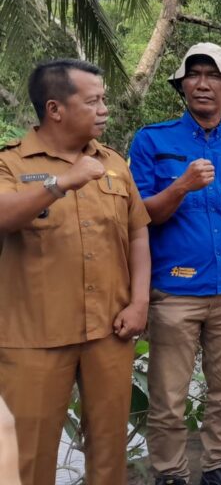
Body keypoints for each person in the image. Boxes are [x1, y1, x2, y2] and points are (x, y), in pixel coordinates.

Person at [129, 43, 221, 485]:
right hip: (174, 292)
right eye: (194, 74)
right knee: (169, 398)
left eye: (214, 76)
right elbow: (139, 216)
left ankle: (219, 466)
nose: (203, 83)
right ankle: (170, 473)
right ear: (182, 85)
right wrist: (182, 186)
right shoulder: (152, 140)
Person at [0, 59, 151, 485]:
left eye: (103, 99)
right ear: (55, 109)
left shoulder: (113, 163)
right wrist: (60, 183)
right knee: (29, 455)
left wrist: (140, 302)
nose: (104, 108)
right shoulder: (11, 162)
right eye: (93, 100)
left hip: (110, 329)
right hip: (35, 337)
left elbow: (138, 233)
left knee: (109, 450)